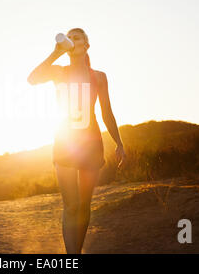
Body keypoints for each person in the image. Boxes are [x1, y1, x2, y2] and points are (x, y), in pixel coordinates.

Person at [27, 28, 126, 254]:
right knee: (71, 205)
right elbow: (32, 79)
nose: (72, 40)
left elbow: (107, 113)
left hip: (91, 143)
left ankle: (76, 252)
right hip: (65, 142)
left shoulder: (98, 77)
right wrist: (55, 52)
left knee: (83, 206)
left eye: (77, 37)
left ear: (87, 45)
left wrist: (119, 143)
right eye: (69, 37)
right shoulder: (58, 72)